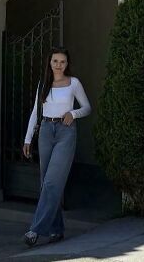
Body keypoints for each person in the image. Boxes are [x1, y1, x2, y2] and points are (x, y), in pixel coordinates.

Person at [22, 47, 91, 247]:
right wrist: (28, 139)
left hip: (65, 132)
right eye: (55, 61)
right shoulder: (43, 84)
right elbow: (35, 112)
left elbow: (87, 107)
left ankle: (35, 230)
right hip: (45, 130)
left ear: (67, 64)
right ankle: (56, 229)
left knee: (52, 182)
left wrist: (73, 114)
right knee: (46, 183)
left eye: (62, 61)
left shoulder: (73, 83)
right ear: (50, 63)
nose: (58, 65)